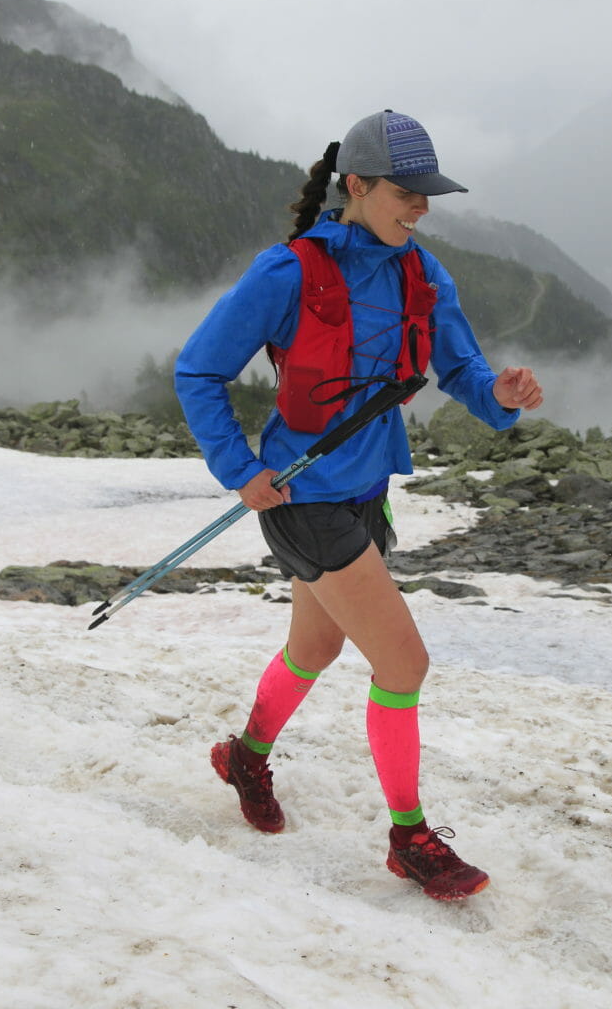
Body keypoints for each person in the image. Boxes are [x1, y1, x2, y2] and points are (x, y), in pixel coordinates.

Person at [175, 109, 543, 902]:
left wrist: (501, 397)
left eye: (427, 194)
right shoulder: (288, 272)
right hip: (300, 495)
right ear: (359, 186)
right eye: (406, 193)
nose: (421, 207)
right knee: (403, 663)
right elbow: (197, 372)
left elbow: (464, 372)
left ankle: (244, 755)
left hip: (366, 492)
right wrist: (239, 469)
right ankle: (408, 838)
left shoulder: (424, 273)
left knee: (314, 650)